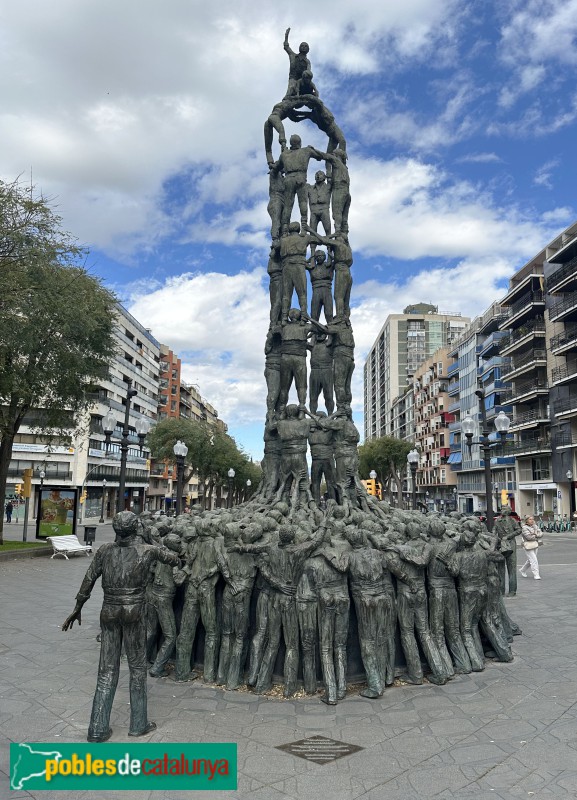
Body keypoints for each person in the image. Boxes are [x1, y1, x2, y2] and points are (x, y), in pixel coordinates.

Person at [62, 511, 181, 742]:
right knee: (137, 668)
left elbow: (88, 579)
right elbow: (174, 559)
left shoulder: (105, 551)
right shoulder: (148, 550)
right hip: (134, 612)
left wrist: (78, 607)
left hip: (109, 611)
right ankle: (138, 723)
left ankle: (97, 727)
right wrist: (154, 542)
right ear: (137, 527)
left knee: (106, 669)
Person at [519, 515, 542, 580]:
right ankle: (536, 574)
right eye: (530, 519)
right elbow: (528, 537)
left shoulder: (535, 526)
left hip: (535, 544)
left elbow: (541, 534)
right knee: (534, 560)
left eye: (532, 519)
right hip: (528, 545)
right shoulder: (524, 528)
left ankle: (522, 570)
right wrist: (536, 535)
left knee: (531, 559)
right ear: (526, 521)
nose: (532, 520)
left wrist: (535, 535)